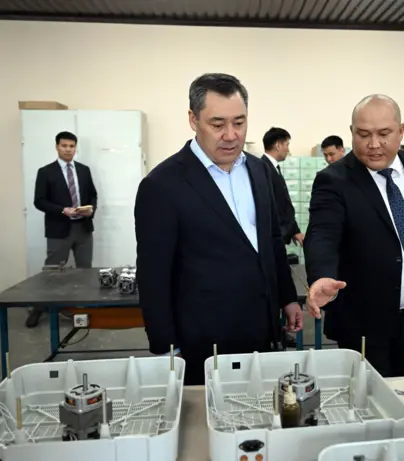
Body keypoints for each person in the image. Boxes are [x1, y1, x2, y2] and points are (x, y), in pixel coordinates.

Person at [134, 73, 303, 386]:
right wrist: (166, 347)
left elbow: (270, 240)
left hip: (261, 329)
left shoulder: (259, 170)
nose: (231, 135)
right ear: (193, 119)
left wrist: (287, 298)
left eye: (239, 122)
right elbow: (153, 275)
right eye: (217, 124)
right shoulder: (162, 185)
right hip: (201, 341)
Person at [304, 94, 404, 377]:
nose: (373, 144)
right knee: (366, 397)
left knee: (401, 387)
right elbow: (323, 234)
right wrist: (322, 275)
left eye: (384, 134)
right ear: (351, 132)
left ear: (401, 131)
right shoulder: (334, 180)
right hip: (361, 322)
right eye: (363, 135)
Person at [27, 131, 98, 328]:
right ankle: (39, 308)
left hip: (83, 228)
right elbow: (39, 201)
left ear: (75, 148)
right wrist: (62, 210)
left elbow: (93, 195)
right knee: (53, 272)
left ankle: (81, 309)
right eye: (64, 146)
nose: (68, 149)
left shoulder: (83, 170)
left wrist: (90, 210)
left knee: (84, 270)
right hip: (59, 229)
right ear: (57, 147)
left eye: (71, 146)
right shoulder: (46, 172)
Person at [261, 127, 304, 246]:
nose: (288, 150)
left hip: (279, 236)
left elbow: (283, 203)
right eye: (287, 144)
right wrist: (284, 232)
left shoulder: (273, 167)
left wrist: (294, 230)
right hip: (273, 237)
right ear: (278, 145)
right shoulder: (263, 169)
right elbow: (271, 206)